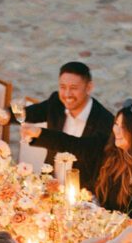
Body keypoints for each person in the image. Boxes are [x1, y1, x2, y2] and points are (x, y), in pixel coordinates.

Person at [19, 62, 114, 191]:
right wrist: (5, 115)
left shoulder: (105, 121)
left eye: (74, 88)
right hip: (48, 189)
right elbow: (31, 113)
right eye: (62, 87)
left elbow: (80, 147)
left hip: (83, 197)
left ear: (89, 87)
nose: (67, 94)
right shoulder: (57, 102)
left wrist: (42, 134)